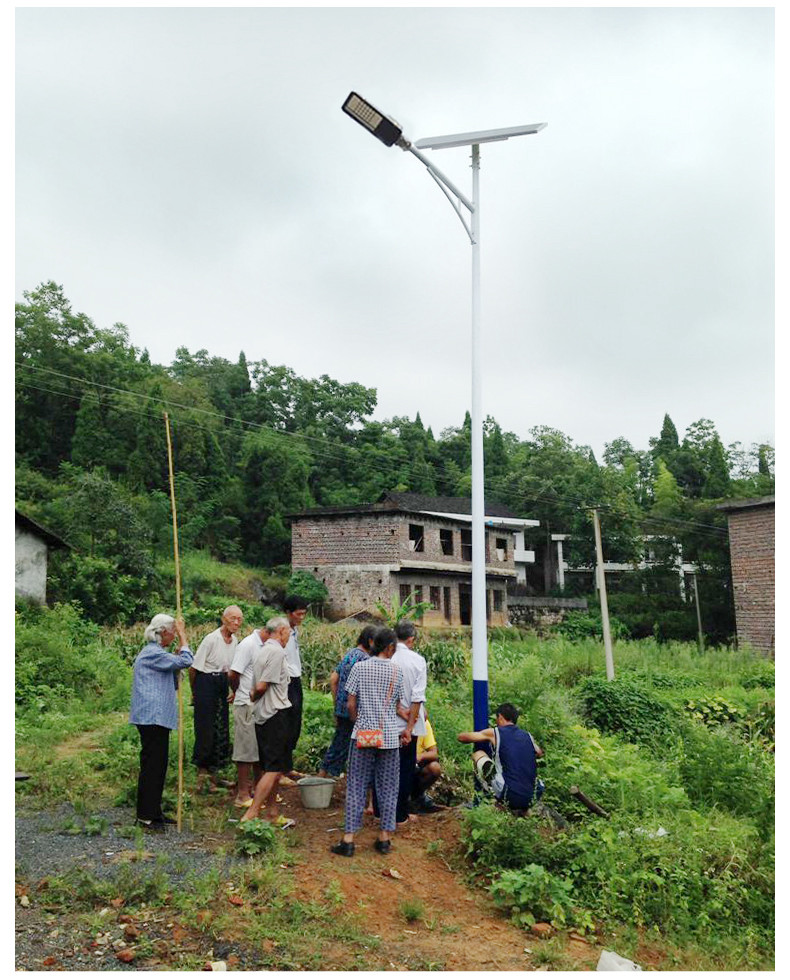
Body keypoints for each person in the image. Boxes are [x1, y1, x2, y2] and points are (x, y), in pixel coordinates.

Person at [331, 628, 405, 857]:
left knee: (357, 784)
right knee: (388, 786)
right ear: (389, 647)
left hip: (364, 734)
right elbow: (397, 705)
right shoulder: (396, 671)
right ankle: (384, 838)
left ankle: (349, 839)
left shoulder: (360, 667)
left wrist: (357, 721)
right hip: (390, 737)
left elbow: (350, 703)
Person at [129, 614, 193, 831]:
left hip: (156, 718)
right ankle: (146, 816)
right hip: (152, 718)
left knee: (158, 766)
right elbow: (187, 661)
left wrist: (174, 662)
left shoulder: (158, 655)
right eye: (173, 632)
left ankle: (153, 812)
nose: (175, 636)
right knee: (152, 766)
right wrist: (184, 637)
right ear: (163, 632)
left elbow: (173, 680)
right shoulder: (153, 653)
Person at [240, 617, 296, 828]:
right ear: (281, 631)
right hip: (275, 715)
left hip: (263, 715)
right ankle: (252, 813)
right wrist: (254, 695)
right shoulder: (276, 652)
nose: (289, 636)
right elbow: (262, 686)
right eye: (288, 632)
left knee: (271, 766)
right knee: (274, 768)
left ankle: (272, 812)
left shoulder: (262, 650)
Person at [189, 605, 244, 792]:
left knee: (221, 728)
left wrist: (233, 689)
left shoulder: (235, 641)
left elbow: (231, 670)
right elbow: (193, 669)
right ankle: (202, 777)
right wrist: (195, 692)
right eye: (233, 618)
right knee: (205, 729)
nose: (236, 622)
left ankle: (214, 776)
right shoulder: (211, 639)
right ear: (224, 619)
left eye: (239, 619)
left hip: (221, 682)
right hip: (206, 682)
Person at [457, 702, 545, 812]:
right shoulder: (527, 735)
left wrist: (461, 734)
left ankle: (482, 799)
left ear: (500, 717)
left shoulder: (495, 732)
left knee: (478, 754)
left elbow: (463, 738)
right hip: (532, 796)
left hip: (508, 793)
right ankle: (523, 810)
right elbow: (539, 752)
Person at [318, 625, 378, 779]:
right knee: (360, 748)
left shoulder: (350, 654)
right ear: (371, 641)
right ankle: (347, 780)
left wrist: (337, 703)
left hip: (342, 708)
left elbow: (333, 679)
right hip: (356, 711)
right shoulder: (366, 659)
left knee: (339, 743)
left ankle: (322, 775)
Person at [384, 619, 428, 827]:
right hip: (409, 725)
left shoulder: (387, 658)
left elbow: (383, 693)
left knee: (384, 768)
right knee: (404, 769)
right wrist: (409, 727)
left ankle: (379, 811)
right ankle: (399, 815)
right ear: (411, 639)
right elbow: (417, 698)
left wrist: (397, 710)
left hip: (387, 723)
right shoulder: (417, 661)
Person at [227, 623, 270, 807]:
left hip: (257, 705)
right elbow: (233, 674)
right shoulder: (248, 645)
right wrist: (238, 692)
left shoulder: (264, 645)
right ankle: (242, 795)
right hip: (245, 703)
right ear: (269, 632)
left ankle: (257, 790)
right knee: (245, 750)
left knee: (257, 749)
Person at [281, 595, 308, 779]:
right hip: (285, 681)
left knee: (294, 724)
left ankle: (287, 766)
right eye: (299, 614)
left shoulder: (294, 631)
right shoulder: (281, 631)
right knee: (285, 724)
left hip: (295, 679)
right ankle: (279, 770)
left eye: (304, 614)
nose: (302, 617)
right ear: (288, 613)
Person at [409, 715, 443, 814]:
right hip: (400, 766)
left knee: (434, 768)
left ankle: (417, 797)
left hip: (417, 765)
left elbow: (434, 753)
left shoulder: (424, 723)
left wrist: (420, 756)